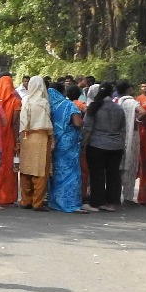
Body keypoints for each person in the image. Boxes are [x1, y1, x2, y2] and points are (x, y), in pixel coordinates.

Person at [83, 83, 125, 211]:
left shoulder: (94, 107)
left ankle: (96, 202)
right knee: (113, 174)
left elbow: (87, 128)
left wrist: (83, 144)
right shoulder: (118, 108)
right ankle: (112, 202)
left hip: (97, 144)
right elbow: (123, 128)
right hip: (117, 146)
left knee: (97, 174)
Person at [47, 84, 85, 212]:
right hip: (68, 143)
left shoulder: (49, 106)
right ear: (62, 91)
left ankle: (55, 201)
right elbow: (77, 122)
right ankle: (70, 203)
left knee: (57, 171)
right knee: (71, 172)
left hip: (54, 142)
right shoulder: (69, 105)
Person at [18, 76, 53, 211]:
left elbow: (22, 122)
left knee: (26, 168)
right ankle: (37, 203)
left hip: (26, 137)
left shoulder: (25, 100)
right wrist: (52, 138)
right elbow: (47, 122)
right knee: (40, 170)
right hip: (40, 137)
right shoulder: (44, 102)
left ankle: (25, 200)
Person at [0, 75, 21, 207]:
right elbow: (15, 123)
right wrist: (17, 139)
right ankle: (7, 196)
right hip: (8, 136)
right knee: (8, 166)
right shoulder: (16, 101)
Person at [115, 81, 140, 205]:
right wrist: (138, 120)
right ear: (129, 89)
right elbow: (143, 112)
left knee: (120, 166)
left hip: (119, 136)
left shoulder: (118, 101)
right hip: (132, 136)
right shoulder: (132, 102)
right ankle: (128, 197)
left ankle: (116, 195)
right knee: (130, 166)